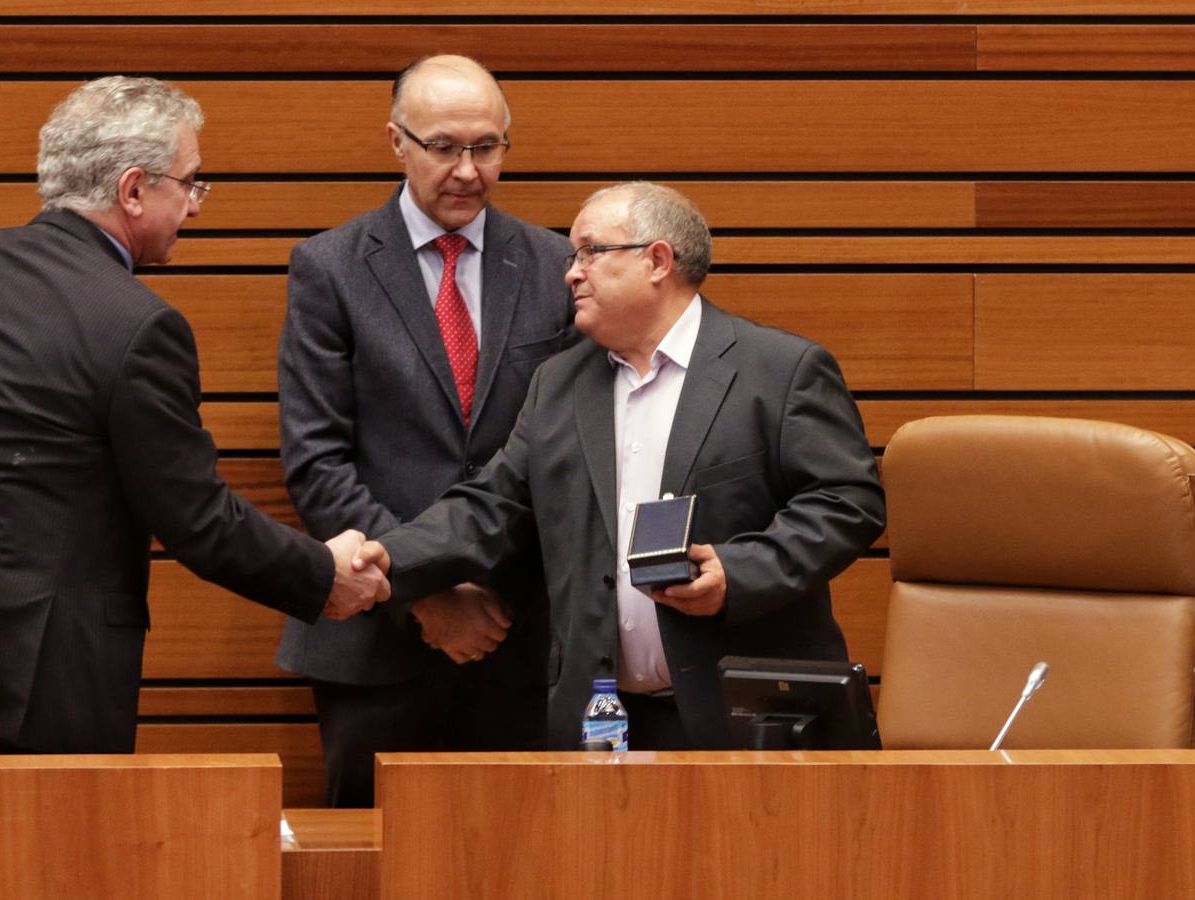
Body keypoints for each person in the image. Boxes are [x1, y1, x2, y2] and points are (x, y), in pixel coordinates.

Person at [0, 76, 388, 755]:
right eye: (188, 183)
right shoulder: (138, 324)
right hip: (55, 667)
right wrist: (320, 575)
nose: (195, 207)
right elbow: (195, 518)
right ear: (132, 190)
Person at [358, 182, 886, 751]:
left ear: (657, 260)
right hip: (601, 725)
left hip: (746, 720)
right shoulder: (558, 384)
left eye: (590, 252)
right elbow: (492, 505)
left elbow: (848, 501)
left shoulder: (779, 370)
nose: (571, 273)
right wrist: (389, 555)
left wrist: (740, 572)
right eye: (572, 256)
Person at [277, 55, 576, 806]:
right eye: (443, 146)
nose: (468, 171)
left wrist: (478, 591)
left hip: (518, 632)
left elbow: (568, 450)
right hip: (373, 638)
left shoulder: (554, 265)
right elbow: (317, 462)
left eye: (488, 147)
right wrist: (425, 591)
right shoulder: (330, 267)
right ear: (396, 142)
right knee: (370, 863)